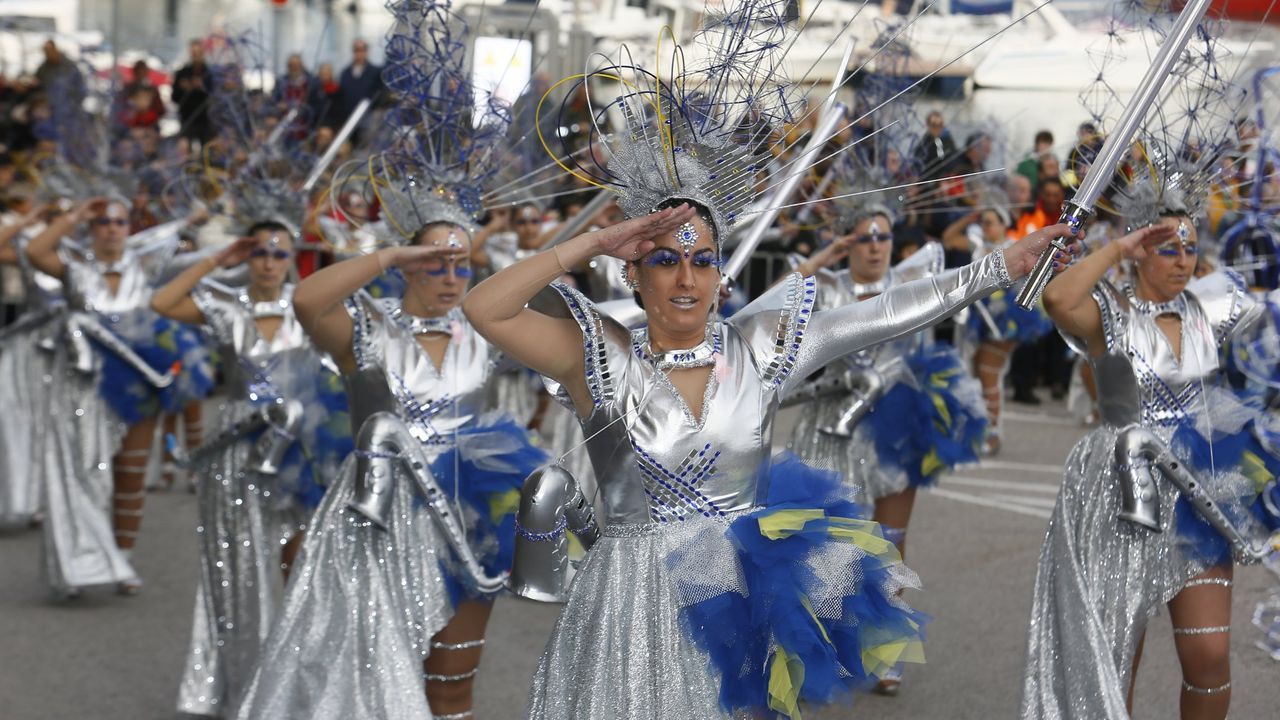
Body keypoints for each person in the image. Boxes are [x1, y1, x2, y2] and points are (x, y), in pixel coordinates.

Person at [460, 4, 1078, 714]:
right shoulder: (600, 354)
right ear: (636, 273)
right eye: (664, 260)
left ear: (723, 273)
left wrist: (996, 268)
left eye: (703, 259)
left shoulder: (761, 347)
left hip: (734, 601)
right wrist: (593, 242)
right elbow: (485, 309)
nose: (687, 278)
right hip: (626, 609)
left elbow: (878, 314)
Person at [234, 6, 543, 718]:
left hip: (463, 504)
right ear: (405, 265)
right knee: (366, 671)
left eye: (458, 262)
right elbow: (309, 301)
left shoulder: (488, 331)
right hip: (374, 510)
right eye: (432, 262)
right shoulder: (366, 331)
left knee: (452, 677)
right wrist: (396, 250)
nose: (448, 273)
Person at [785, 206, 987, 694]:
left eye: (883, 236)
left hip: (895, 426)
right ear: (845, 243)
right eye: (863, 237)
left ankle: (887, 647)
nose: (875, 245)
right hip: (830, 426)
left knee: (891, 538)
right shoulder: (824, 287)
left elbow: (974, 279)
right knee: (821, 541)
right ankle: (822, 640)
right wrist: (816, 263)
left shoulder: (912, 284)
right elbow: (776, 308)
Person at [150, 220, 349, 715]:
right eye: (258, 252)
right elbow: (162, 303)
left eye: (278, 254)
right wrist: (218, 259)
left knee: (304, 565)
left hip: (302, 447)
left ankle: (299, 684)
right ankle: (245, 687)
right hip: (238, 449)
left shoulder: (309, 307)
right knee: (239, 567)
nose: (267, 262)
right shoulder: (226, 307)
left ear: (292, 260)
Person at [23, 197, 213, 598]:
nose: (111, 228)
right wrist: (74, 215)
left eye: (120, 222)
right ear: (92, 229)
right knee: (82, 471)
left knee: (130, 470)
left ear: (130, 229)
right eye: (102, 222)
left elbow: (197, 256)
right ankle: (76, 565)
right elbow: (35, 251)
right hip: (82, 386)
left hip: (137, 382)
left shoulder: (147, 269)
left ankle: (122, 557)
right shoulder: (75, 270)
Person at [336, 38, 382, 144]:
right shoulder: (345, 73)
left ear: (367, 51)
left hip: (368, 118)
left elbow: (380, 95)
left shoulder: (376, 72)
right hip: (348, 119)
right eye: (357, 50)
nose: (359, 53)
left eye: (362, 49)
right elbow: (341, 97)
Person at [173, 39, 214, 149]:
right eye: (193, 52)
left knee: (208, 150)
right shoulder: (182, 73)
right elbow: (175, 98)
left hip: (206, 120)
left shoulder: (210, 73)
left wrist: (202, 87)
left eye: (198, 52)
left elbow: (215, 95)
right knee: (184, 147)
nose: (196, 55)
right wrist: (184, 89)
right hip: (188, 118)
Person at [913, 110, 956, 181]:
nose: (937, 128)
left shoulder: (948, 140)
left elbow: (954, 156)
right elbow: (920, 170)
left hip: (948, 178)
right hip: (931, 182)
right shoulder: (923, 146)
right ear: (928, 125)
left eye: (940, 125)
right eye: (934, 125)